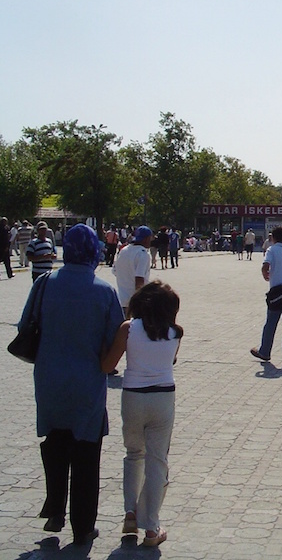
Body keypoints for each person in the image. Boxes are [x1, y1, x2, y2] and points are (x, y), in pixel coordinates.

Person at [19, 224, 124, 545]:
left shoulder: (43, 284)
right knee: (86, 454)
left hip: (49, 380)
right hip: (87, 385)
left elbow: (25, 326)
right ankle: (83, 525)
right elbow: (114, 341)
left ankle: (54, 508)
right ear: (93, 251)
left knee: (55, 442)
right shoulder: (104, 291)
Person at [101, 281, 182, 548]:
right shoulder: (176, 333)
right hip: (163, 397)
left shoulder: (128, 329)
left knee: (134, 454)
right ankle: (151, 527)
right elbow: (169, 361)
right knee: (157, 460)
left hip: (133, 397)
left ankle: (130, 514)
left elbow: (108, 365)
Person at [250, 227, 282, 367]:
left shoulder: (271, 250)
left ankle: (265, 351)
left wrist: (266, 276)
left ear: (272, 237)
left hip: (276, 294)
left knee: (271, 324)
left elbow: (265, 266)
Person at [113, 226, 153, 317]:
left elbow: (115, 271)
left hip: (122, 298)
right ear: (146, 239)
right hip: (134, 301)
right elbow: (139, 279)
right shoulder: (143, 254)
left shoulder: (123, 251)